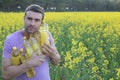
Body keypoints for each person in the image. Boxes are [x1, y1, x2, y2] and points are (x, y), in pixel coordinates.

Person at [2, 4, 61, 80]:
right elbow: (5, 75)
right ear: (24, 18)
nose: (32, 23)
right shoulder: (11, 39)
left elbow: (56, 62)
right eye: (29, 19)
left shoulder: (46, 35)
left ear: (41, 22)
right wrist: (28, 64)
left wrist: (54, 56)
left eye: (37, 20)